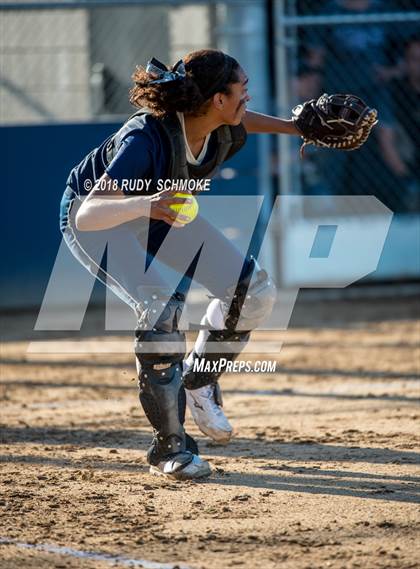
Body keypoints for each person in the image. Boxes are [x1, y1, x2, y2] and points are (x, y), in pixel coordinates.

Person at [60, 49, 300, 480]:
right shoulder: (146, 138)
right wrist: (147, 203)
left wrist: (297, 128)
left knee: (253, 292)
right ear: (216, 101)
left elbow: (248, 119)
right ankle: (170, 448)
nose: (248, 97)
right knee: (161, 309)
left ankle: (199, 380)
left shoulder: (221, 126)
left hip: (159, 209)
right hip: (102, 218)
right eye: (241, 90)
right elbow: (88, 213)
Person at [378, 35, 420, 212]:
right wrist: (408, 179)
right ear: (406, 63)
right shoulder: (394, 93)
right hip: (409, 168)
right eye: (415, 60)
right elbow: (386, 143)